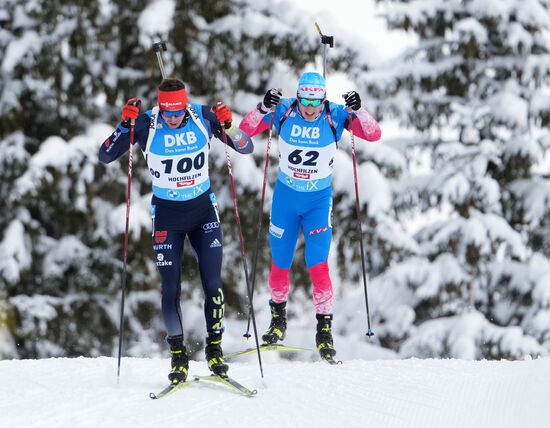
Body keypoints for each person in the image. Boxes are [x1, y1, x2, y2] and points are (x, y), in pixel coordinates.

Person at [99, 78, 254, 384]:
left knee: (212, 282)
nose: (172, 119)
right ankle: (178, 356)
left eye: (177, 112)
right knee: (171, 289)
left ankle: (215, 349)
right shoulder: (146, 124)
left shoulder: (203, 116)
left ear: (185, 105)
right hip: (167, 217)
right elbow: (105, 155)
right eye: (167, 113)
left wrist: (230, 125)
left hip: (202, 213)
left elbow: (245, 146)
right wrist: (123, 126)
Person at [239, 72, 381, 361]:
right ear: (299, 96)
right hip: (285, 200)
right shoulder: (285, 109)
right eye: (305, 99)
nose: (309, 107)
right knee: (280, 262)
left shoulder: (335, 115)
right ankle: (277, 321)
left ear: (323, 99)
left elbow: (373, 133)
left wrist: (359, 110)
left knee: (317, 265)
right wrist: (263, 107)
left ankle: (324, 330)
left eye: (315, 101)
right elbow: (245, 130)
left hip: (318, 201)